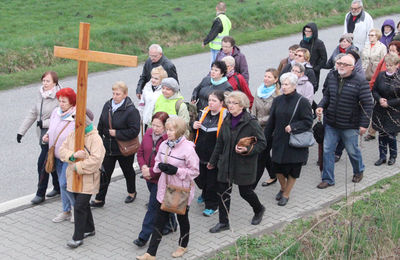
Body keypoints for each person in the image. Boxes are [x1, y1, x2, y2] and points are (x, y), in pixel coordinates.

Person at [136, 117, 200, 260]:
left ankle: (183, 245)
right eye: (168, 129)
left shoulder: (188, 149)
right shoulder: (165, 144)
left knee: (182, 218)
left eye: (171, 130)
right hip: (164, 188)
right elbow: (158, 160)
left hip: (179, 189)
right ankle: (151, 254)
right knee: (159, 221)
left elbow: (195, 172)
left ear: (179, 131)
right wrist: (158, 167)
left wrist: (176, 170)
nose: (168, 132)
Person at [207, 91, 266, 233]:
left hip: (243, 164)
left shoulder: (251, 122)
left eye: (235, 103)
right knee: (223, 193)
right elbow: (220, 143)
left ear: (242, 105)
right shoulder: (227, 119)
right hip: (226, 163)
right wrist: (212, 161)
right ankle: (223, 222)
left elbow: (262, 143)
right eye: (229, 103)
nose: (231, 106)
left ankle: (259, 209)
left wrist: (247, 150)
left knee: (245, 192)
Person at [316, 54, 373, 189]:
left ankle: (359, 170)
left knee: (352, 151)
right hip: (331, 122)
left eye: (344, 64)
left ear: (352, 67)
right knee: (327, 150)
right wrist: (320, 106)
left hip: (350, 125)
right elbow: (327, 95)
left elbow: (367, 104)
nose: (340, 66)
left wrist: (364, 124)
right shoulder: (332, 76)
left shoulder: (360, 81)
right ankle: (328, 178)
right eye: (339, 63)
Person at [59, 109, 106, 248]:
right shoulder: (73, 134)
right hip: (73, 178)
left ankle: (77, 237)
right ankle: (90, 229)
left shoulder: (95, 138)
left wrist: (77, 166)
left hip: (88, 179)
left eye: (77, 120)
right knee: (83, 205)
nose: (74, 123)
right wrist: (73, 155)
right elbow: (62, 150)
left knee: (79, 206)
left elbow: (96, 160)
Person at [264, 73, 313, 206]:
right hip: (279, 139)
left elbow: (308, 121)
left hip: (294, 141)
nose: (284, 87)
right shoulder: (277, 100)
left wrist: (294, 127)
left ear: (294, 85)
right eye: (282, 84)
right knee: (277, 167)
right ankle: (283, 187)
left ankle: (286, 194)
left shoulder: (302, 101)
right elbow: (271, 122)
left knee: (293, 169)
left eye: (287, 84)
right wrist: (265, 139)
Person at [90, 81, 140, 207]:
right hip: (108, 148)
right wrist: (99, 140)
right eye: (113, 93)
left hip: (124, 148)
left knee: (128, 171)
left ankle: (132, 192)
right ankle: (99, 199)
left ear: (125, 95)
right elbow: (101, 122)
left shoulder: (131, 110)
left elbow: (134, 131)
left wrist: (117, 133)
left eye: (118, 94)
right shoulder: (107, 105)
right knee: (105, 173)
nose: (115, 96)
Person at [133, 112, 177, 248]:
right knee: (162, 203)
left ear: (165, 126)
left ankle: (143, 236)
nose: (155, 128)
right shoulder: (148, 133)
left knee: (153, 207)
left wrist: (151, 172)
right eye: (153, 125)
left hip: (160, 179)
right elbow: (140, 152)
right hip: (148, 177)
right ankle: (171, 224)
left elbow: (167, 162)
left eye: (159, 126)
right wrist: (144, 167)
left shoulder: (168, 140)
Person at [17, 71, 61, 204]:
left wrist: (44, 123)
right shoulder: (41, 94)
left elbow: (62, 117)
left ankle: (40, 193)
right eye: (43, 81)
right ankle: (58, 187)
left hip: (54, 135)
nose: (45, 84)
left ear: (55, 83)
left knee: (42, 163)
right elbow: (33, 113)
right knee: (51, 161)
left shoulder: (59, 97)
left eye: (48, 81)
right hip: (42, 135)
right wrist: (21, 131)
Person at [42, 88, 76, 223]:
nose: (61, 104)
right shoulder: (56, 112)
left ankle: (76, 209)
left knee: (64, 183)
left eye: (64, 101)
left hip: (68, 156)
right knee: (63, 185)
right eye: (60, 101)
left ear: (71, 102)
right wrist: (48, 135)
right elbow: (52, 127)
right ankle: (66, 210)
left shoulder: (76, 115)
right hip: (56, 154)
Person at [193, 90, 228, 217]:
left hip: (214, 156)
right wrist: (194, 125)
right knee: (200, 178)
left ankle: (212, 206)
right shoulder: (203, 113)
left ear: (221, 103)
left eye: (214, 100)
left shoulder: (225, 117)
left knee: (212, 182)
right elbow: (195, 130)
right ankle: (205, 192)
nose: (210, 103)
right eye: (209, 100)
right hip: (199, 153)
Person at [251, 68, 280, 188]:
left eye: (269, 77)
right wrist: (252, 121)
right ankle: (273, 175)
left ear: (275, 80)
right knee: (265, 154)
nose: (266, 79)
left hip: (270, 131)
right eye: (265, 76)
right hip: (257, 128)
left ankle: (252, 185)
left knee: (261, 156)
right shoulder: (259, 90)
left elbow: (275, 116)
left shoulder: (278, 95)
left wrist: (259, 121)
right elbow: (253, 108)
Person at [371, 53, 400, 166]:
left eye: (391, 65)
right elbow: (374, 90)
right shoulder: (381, 75)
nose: (388, 67)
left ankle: (393, 156)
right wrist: (379, 99)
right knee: (382, 134)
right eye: (387, 65)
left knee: (391, 135)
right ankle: (382, 156)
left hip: (394, 110)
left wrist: (389, 103)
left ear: (397, 65)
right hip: (380, 110)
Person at [299, 22, 327, 90]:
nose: (307, 33)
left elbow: (324, 58)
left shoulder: (319, 43)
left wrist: (316, 68)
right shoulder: (302, 42)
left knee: (312, 89)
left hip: (314, 71)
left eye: (309, 31)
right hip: (302, 70)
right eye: (305, 31)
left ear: (313, 32)